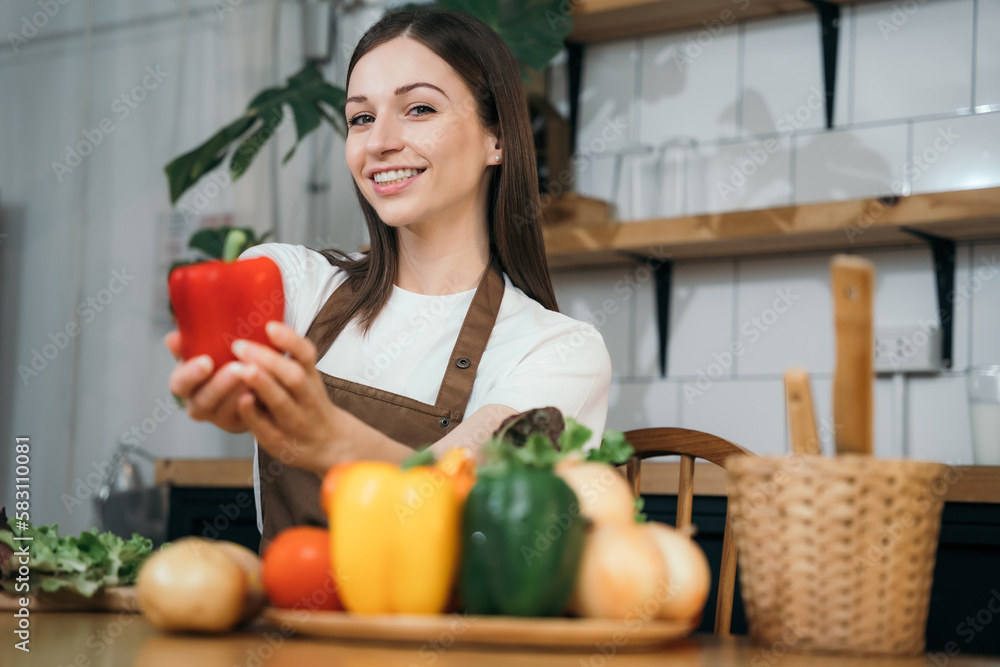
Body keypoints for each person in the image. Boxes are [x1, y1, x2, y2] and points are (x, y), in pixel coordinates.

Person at [166, 9, 611, 546]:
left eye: (419, 109)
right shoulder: (301, 288)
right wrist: (232, 393)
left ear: (498, 139)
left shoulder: (554, 350)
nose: (379, 142)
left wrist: (330, 440)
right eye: (360, 118)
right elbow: (231, 319)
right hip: (284, 628)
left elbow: (472, 502)